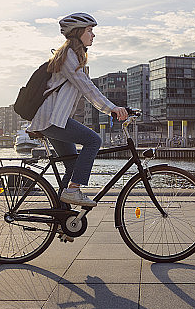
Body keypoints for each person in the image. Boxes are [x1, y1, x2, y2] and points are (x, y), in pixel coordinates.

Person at [28, 13, 128, 207]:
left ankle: (62, 219)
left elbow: (86, 88)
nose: (93, 35)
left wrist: (112, 109)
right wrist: (113, 109)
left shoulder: (71, 56)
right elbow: (88, 89)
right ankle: (73, 190)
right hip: (53, 120)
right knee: (94, 140)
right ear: (78, 33)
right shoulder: (69, 58)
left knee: (72, 165)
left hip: (54, 120)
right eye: (89, 30)